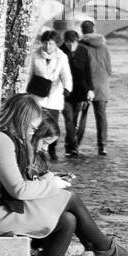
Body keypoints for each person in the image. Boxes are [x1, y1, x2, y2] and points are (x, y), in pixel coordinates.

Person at [0, 94, 128, 256]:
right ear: (20, 118)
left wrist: (48, 180)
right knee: (69, 197)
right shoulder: (3, 140)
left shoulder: (11, 140)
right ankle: (104, 248)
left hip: (9, 209)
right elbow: (18, 190)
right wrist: (52, 185)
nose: (31, 133)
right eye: (31, 127)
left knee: (68, 220)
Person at [28, 30, 73, 161]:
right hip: (37, 94)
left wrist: (67, 87)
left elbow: (66, 74)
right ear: (42, 43)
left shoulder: (62, 56)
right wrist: (24, 91)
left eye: (51, 44)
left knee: (52, 126)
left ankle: (52, 150)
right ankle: (35, 149)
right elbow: (29, 73)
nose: (48, 47)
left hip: (54, 95)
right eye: (46, 43)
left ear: (56, 44)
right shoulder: (34, 55)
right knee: (37, 123)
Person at [78, 20, 113, 156]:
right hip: (102, 85)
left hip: (85, 85)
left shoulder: (80, 46)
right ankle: (102, 146)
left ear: (82, 30)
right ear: (94, 29)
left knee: (82, 116)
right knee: (101, 116)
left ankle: (75, 144)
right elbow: (109, 69)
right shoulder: (104, 47)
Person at [60, 30, 91, 159]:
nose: (71, 47)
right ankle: (73, 147)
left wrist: (90, 89)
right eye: (68, 44)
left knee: (76, 119)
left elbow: (88, 71)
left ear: (77, 41)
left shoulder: (83, 51)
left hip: (80, 91)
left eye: (73, 44)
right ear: (65, 42)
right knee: (69, 118)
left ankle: (71, 146)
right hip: (64, 92)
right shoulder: (60, 51)